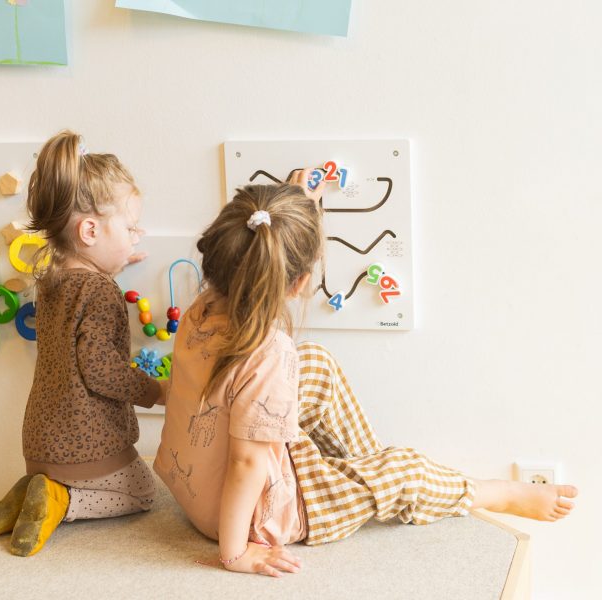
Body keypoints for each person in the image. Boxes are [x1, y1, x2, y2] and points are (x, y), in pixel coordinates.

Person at [154, 174, 578, 577]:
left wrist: (301, 204)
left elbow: (261, 235)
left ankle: (366, 470)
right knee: (404, 470)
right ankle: (489, 492)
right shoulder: (268, 352)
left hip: (193, 478)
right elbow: (247, 461)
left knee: (314, 362)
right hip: (249, 517)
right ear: (299, 283)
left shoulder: (201, 309)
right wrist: (235, 551)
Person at [0, 130, 165, 557]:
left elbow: (81, 295)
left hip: (41, 440)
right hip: (85, 441)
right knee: (143, 493)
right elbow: (100, 368)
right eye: (131, 228)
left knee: (69, 479)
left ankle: (27, 493)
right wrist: (155, 392)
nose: (137, 237)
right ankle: (63, 501)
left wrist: (114, 259)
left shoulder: (53, 281)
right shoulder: (100, 292)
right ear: (91, 230)